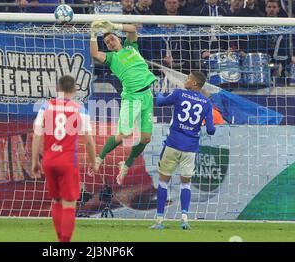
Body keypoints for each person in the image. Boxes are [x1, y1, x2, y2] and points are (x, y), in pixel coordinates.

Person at [90, 20, 157, 184]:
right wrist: (93, 34)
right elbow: (94, 54)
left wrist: (114, 26)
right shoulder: (112, 58)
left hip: (147, 96)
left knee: (146, 138)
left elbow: (133, 29)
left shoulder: (131, 47)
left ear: (118, 38)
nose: (110, 43)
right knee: (124, 134)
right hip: (132, 98)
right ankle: (99, 158)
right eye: (107, 42)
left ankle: (126, 164)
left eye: (112, 39)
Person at [31, 75, 96, 242]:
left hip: (49, 160)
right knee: (69, 202)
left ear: (57, 89)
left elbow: (37, 134)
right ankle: (65, 242)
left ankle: (61, 240)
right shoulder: (80, 109)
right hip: (68, 162)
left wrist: (34, 161)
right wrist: (93, 161)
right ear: (74, 90)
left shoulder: (46, 106)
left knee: (57, 200)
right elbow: (88, 140)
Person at [151, 72, 216, 230]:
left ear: (194, 83)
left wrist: (159, 94)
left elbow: (160, 102)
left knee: (163, 181)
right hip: (190, 148)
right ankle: (184, 219)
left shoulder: (179, 94)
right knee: (185, 184)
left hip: (173, 144)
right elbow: (211, 130)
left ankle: (159, 220)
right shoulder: (207, 103)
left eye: (188, 79)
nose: (185, 80)